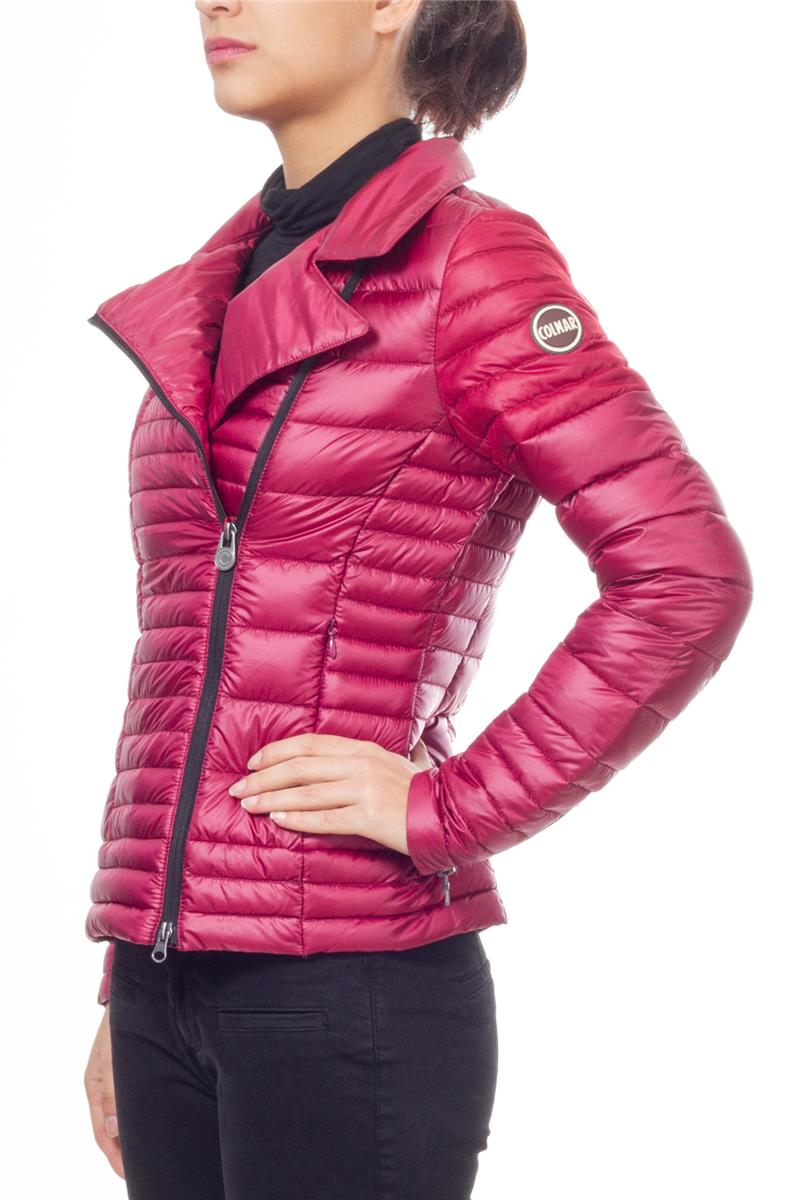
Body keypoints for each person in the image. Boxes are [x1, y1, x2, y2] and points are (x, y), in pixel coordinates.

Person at [82, 2, 753, 1197]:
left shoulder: (468, 264)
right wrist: (132, 965)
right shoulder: (225, 275)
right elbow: (191, 657)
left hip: (347, 987)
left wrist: (452, 806)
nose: (213, 0)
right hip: (166, 982)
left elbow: (683, 572)